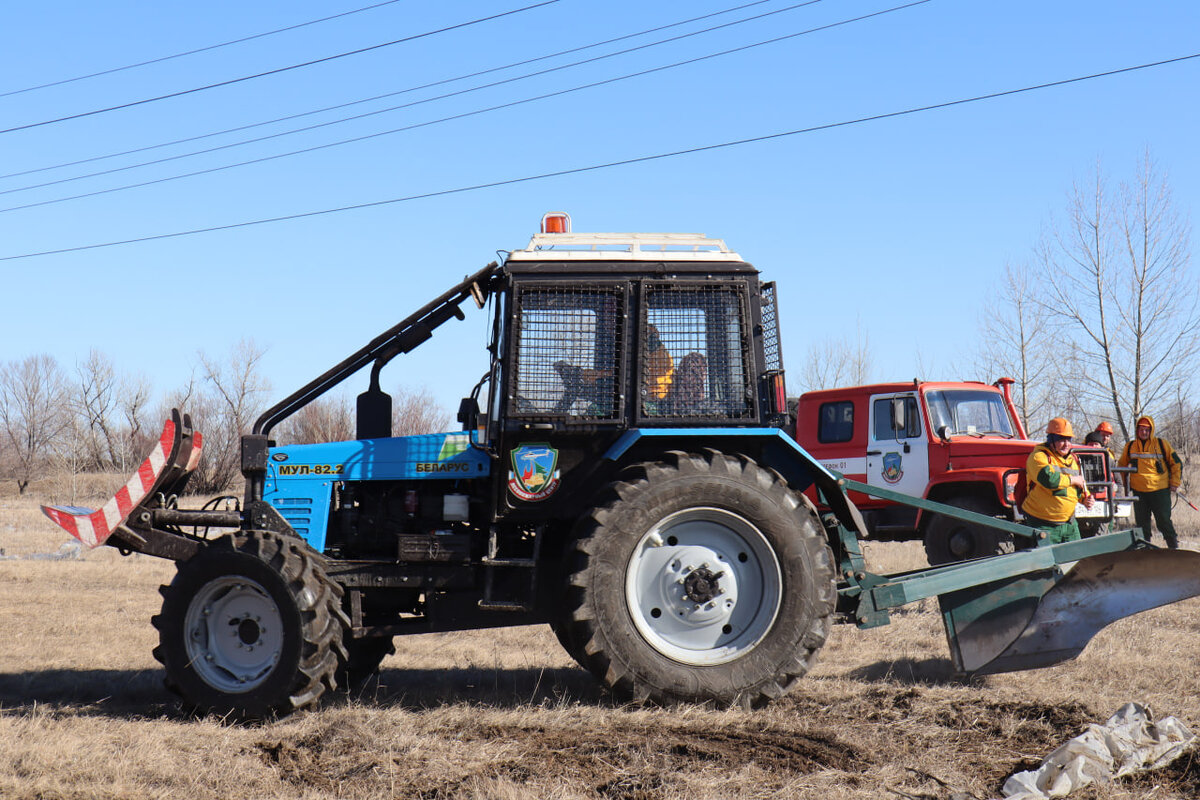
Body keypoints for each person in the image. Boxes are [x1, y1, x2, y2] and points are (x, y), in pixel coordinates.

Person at [1021, 417, 1094, 544]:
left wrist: (1084, 499)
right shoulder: (1038, 457)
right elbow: (1049, 480)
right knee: (1045, 563)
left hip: (1069, 524)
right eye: (1061, 439)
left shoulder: (1074, 460)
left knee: (1077, 561)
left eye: (1068, 439)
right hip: (1042, 524)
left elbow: (1076, 488)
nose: (1066, 444)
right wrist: (1073, 480)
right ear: (1051, 440)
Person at [1118, 415, 1182, 548]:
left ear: (1151, 430)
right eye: (1141, 429)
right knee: (1141, 525)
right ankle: (1145, 552)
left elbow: (1176, 463)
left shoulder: (1161, 444)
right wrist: (1123, 488)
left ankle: (1174, 549)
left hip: (1160, 491)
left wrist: (1175, 482)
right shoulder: (1130, 446)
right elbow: (1121, 467)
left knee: (1164, 521)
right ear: (1137, 430)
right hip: (1139, 493)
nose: (1144, 432)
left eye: (1147, 429)